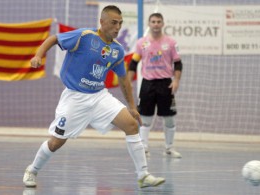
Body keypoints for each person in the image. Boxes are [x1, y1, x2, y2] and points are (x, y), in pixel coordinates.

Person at [23, 5, 165, 189]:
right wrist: (38, 56)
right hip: (75, 98)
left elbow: (123, 79)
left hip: (99, 97)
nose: (117, 27)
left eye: (120, 23)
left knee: (131, 125)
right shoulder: (84, 36)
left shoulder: (117, 50)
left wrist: (132, 106)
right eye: (114, 23)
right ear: (102, 22)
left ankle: (143, 175)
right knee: (56, 142)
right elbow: (54, 38)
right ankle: (32, 170)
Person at [128, 13, 183, 158]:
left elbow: (178, 63)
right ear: (149, 23)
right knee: (145, 118)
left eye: (159, 21)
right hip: (148, 84)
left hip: (165, 84)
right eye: (153, 21)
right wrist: (128, 83)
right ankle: (144, 148)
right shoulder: (141, 43)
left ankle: (169, 148)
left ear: (163, 24)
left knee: (169, 118)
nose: (156, 24)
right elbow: (133, 64)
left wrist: (176, 81)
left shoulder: (171, 43)